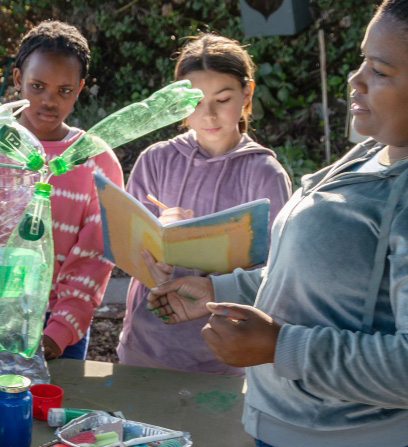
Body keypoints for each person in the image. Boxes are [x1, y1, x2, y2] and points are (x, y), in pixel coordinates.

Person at [148, 1, 408, 447]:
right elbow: (310, 277)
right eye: (360, 60)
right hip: (294, 446)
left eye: (379, 70)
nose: (356, 80)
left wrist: (281, 348)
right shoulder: (372, 151)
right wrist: (221, 291)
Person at [0, 20, 124, 362]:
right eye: (37, 86)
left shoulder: (95, 162)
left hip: (57, 329)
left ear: (80, 88)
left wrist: (58, 333)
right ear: (18, 79)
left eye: (64, 90)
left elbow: (94, 259)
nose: (49, 101)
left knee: (49, 413)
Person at [116, 33, 291, 375]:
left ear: (247, 94)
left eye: (222, 99)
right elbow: (124, 246)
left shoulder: (264, 173)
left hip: (224, 359)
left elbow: (278, 273)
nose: (208, 115)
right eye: (195, 102)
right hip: (145, 348)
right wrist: (152, 251)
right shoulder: (156, 159)